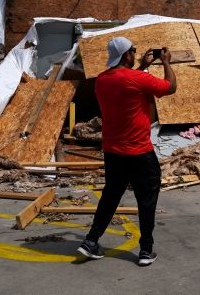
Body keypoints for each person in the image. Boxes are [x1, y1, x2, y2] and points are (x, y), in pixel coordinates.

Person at [77, 36, 176, 266]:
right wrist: (167, 62)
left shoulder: (101, 80)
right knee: (147, 199)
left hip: (113, 152)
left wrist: (142, 65)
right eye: (133, 50)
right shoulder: (137, 78)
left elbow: (127, 83)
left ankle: (91, 240)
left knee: (110, 196)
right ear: (126, 55)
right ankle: (145, 250)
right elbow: (170, 87)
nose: (135, 53)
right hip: (139, 152)